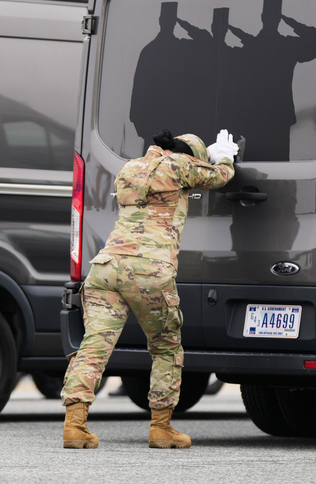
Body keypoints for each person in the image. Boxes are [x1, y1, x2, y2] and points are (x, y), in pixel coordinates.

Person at [61, 129, 238, 449]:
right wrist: (223, 155)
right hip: (149, 272)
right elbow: (220, 176)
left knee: (94, 346)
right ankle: (161, 427)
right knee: (166, 345)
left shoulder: (129, 168)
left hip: (107, 268)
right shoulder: (179, 166)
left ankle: (74, 425)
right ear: (188, 155)